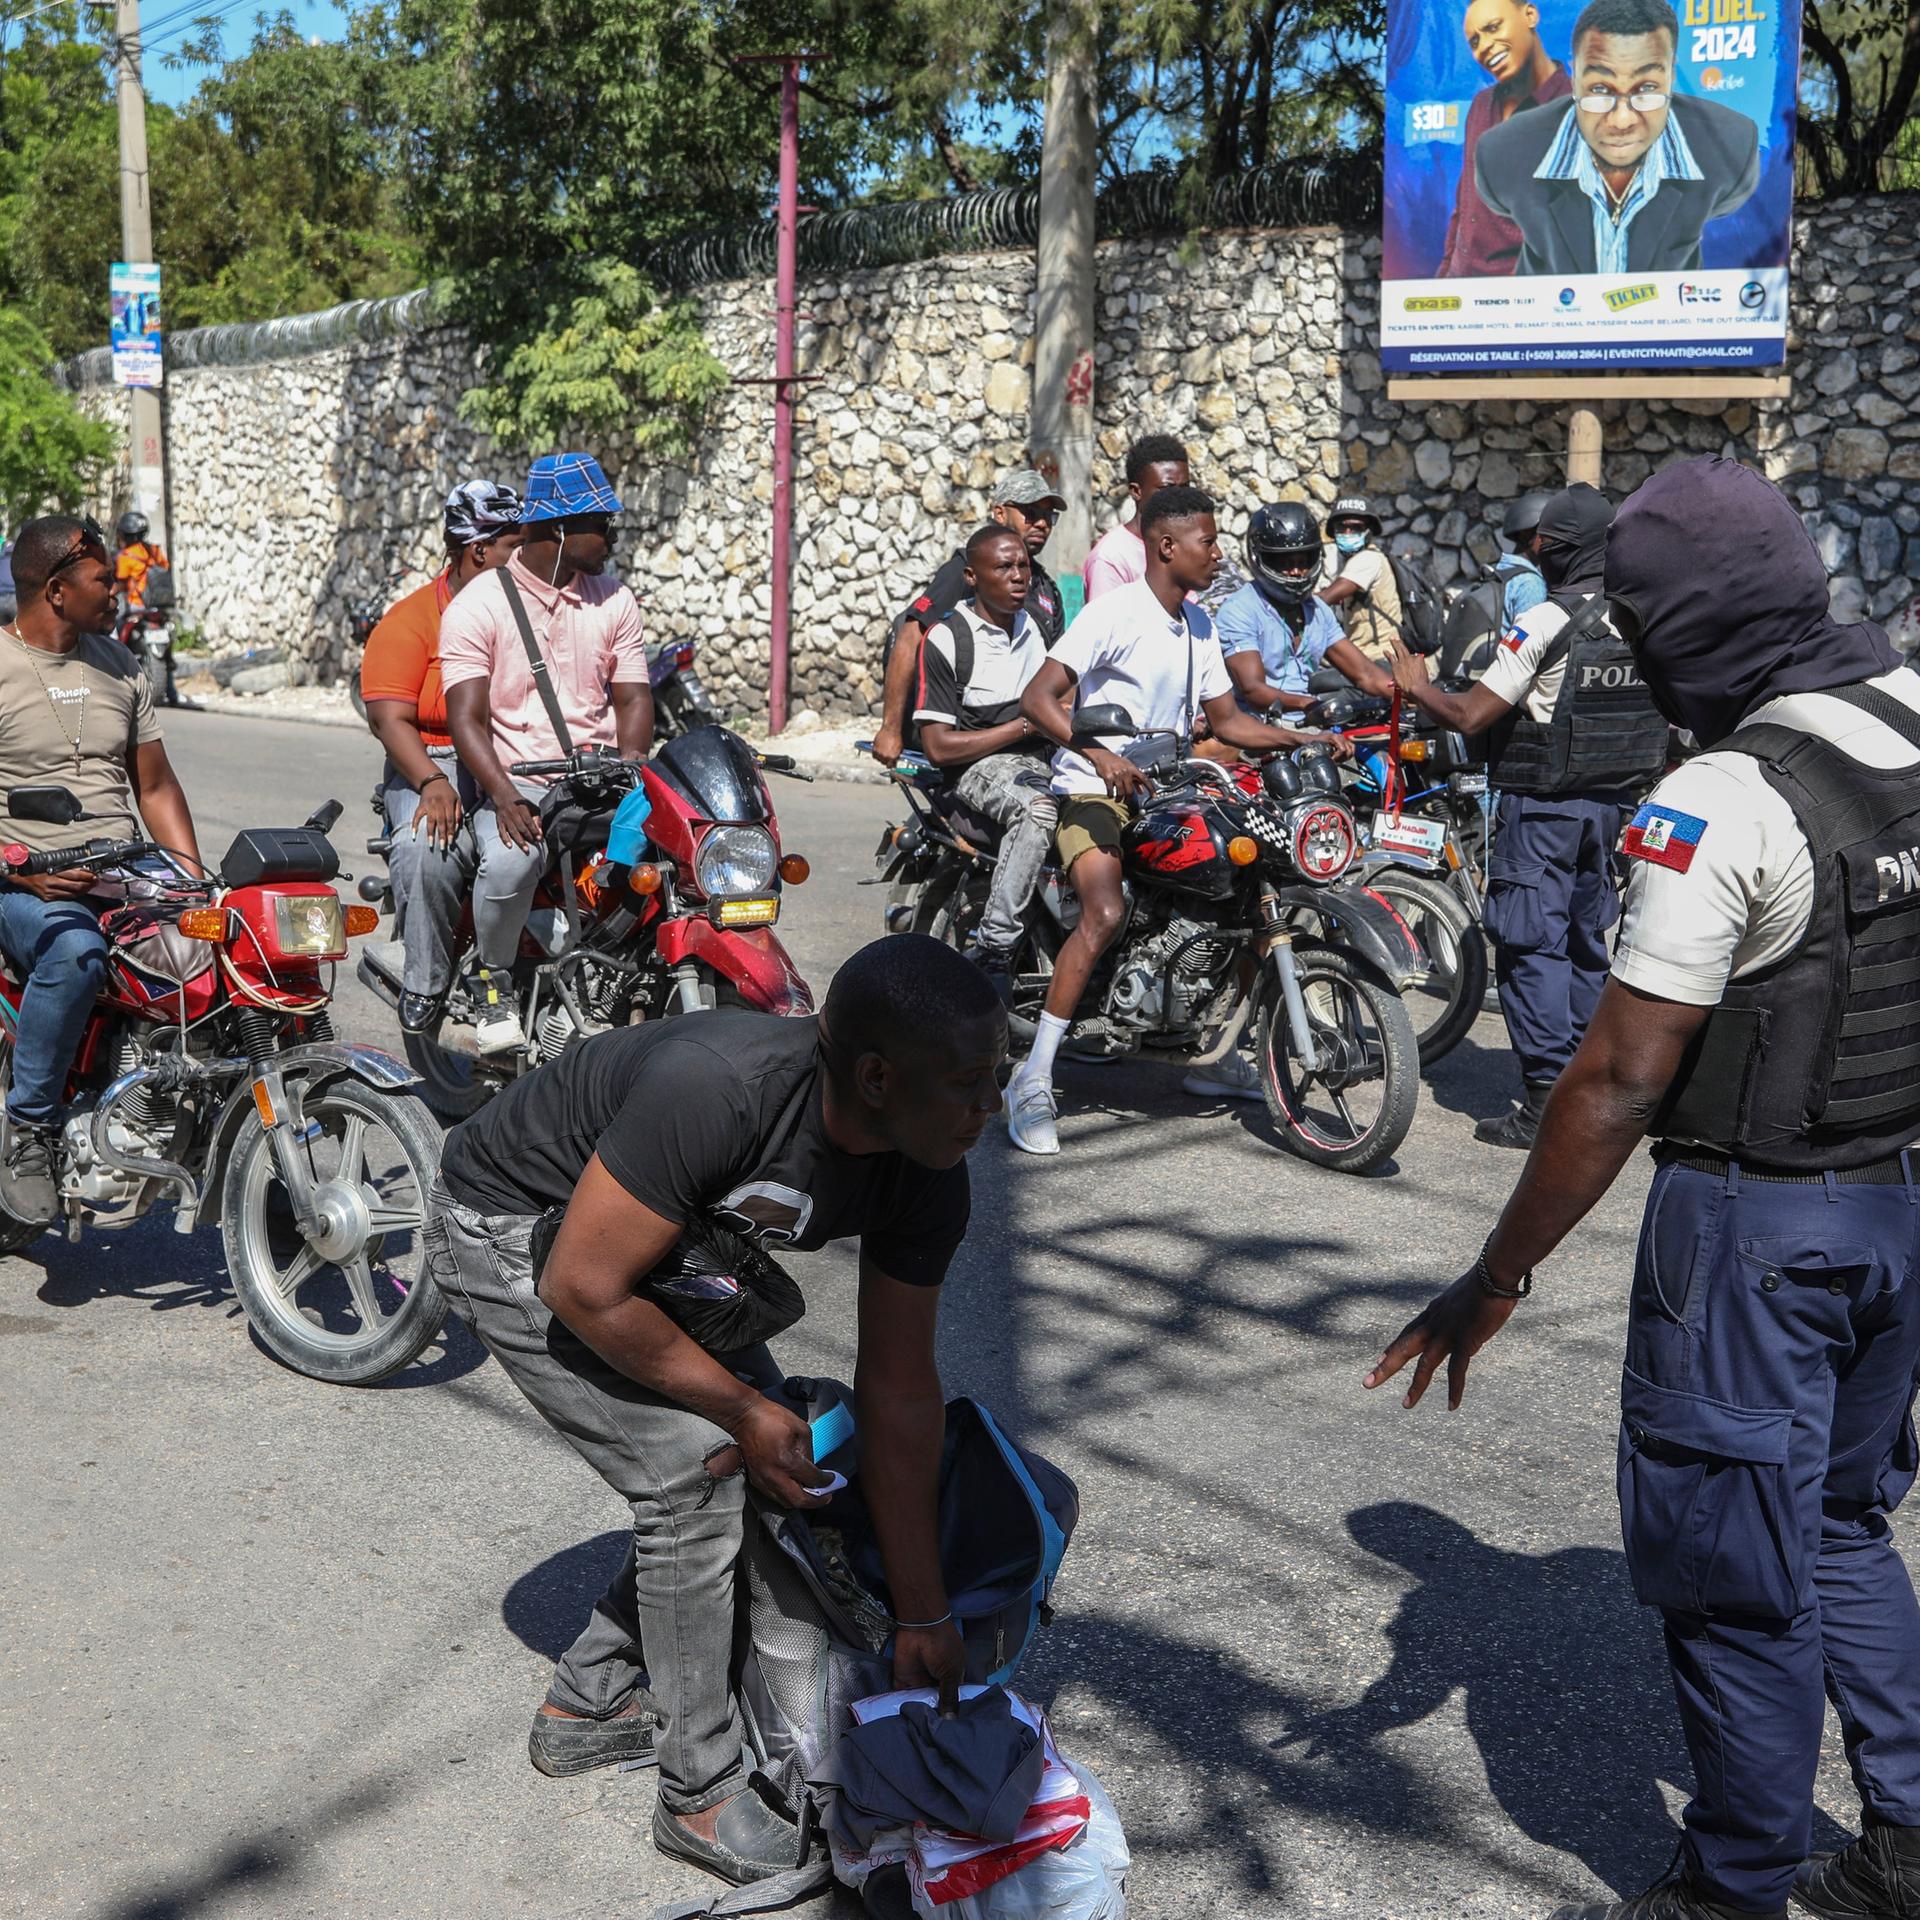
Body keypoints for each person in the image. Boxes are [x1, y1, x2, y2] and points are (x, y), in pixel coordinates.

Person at [1364, 456, 1920, 1920]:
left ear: (1693, 635)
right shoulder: (1913, 715)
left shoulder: (1724, 796)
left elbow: (1613, 1079)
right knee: (1846, 1523)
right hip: (1896, 1206)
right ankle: (1911, 1839)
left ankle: (1732, 1885)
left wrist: (1492, 1280)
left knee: (1734, 1573)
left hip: (1755, 1226)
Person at [424, 936, 1003, 1886]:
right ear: (874, 1076)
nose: (993, 1107)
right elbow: (583, 1284)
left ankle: (593, 1697)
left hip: (658, 1245)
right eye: (970, 1083)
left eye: (999, 1075)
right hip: (509, 1222)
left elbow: (899, 1393)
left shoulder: (930, 1167)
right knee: (697, 1473)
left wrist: (923, 1613)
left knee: (791, 1458)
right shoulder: (724, 1089)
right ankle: (699, 1792)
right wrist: (737, 1411)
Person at [1007, 485, 1352, 1154]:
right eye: (1208, 541)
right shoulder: (1113, 615)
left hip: (1171, 789)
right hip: (1093, 790)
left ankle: (1215, 1048)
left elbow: (1229, 723)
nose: (1219, 553)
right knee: (1104, 913)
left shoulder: (1200, 624)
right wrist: (1099, 755)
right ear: (1166, 546)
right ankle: (1034, 1076)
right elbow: (1039, 696)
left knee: (1253, 887)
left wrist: (1301, 739)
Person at [1388, 483, 1666, 1146]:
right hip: (1615, 809)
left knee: (1527, 946)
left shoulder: (1547, 620)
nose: (1531, 556)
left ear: (1559, 550)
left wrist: (1416, 685)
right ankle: (1595, 1086)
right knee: (1583, 942)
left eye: (1538, 546)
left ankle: (1546, 1098)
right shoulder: (1645, 617)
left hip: (1544, 809)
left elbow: (1471, 713)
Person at [0, 516, 202, 1225]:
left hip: (122, 869)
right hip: (19, 884)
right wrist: (19, 873)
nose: (116, 593)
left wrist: (193, 882)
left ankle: (238, 1139)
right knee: (75, 951)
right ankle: (29, 1127)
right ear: (56, 589)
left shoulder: (121, 665)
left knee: (228, 947)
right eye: (102, 581)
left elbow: (154, 787)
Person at [440, 453, 652, 1055]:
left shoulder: (614, 600)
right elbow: (466, 719)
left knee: (679, 850)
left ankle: (632, 977)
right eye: (602, 524)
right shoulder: (479, 606)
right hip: (518, 781)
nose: (612, 537)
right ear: (559, 527)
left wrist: (633, 766)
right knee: (511, 860)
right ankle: (491, 982)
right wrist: (504, 797)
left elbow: (634, 698)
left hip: (601, 777)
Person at [359, 480, 522, 1035]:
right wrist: (430, 779)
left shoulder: (524, 613)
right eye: (513, 547)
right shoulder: (409, 621)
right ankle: (425, 983)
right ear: (479, 550)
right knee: (425, 847)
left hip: (511, 758)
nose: (525, 559)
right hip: (433, 759)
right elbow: (387, 718)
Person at [1474, 0, 1760, 276]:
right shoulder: (1502, 156)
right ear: (1574, 79)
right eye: (1599, 90)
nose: (1622, 120)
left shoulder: (1730, 149)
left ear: (1671, 74)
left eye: (1646, 88)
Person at [912, 525, 1056, 995]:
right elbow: (937, 746)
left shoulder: (1033, 627)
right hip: (974, 770)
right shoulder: (948, 639)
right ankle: (995, 946)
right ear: (973, 577)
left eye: (1023, 566)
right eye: (1004, 567)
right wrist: (1022, 728)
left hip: (1036, 760)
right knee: (1037, 811)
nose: (1019, 577)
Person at [871, 470, 1069, 768]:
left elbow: (1059, 664)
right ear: (1000, 513)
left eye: (1048, 517)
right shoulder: (966, 571)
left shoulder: (1045, 588)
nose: (1041, 523)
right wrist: (890, 728)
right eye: (1030, 513)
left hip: (1031, 741)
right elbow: (911, 635)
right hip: (971, 736)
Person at [1216, 502, 1395, 718]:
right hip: (1256, 730)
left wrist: (1415, 696)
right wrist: (1310, 705)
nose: (1296, 572)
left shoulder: (1317, 610)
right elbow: (1253, 690)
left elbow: (1365, 674)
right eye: (1284, 563)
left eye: (1303, 562)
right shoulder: (1240, 610)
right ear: (1260, 558)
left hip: (1310, 726)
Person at [1436, 0, 1572, 279]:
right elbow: (1465, 204)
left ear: (1530, 15)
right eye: (1475, 41)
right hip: (1461, 285)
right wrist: (1445, 274)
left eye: (1493, 27)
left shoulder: (1576, 108)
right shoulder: (1480, 105)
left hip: (1529, 295)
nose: (1484, 46)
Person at [1082, 434, 1191, 604]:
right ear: (1136, 491)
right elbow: (1107, 627)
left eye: (1184, 488)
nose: (1178, 497)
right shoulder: (1111, 558)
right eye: (1166, 489)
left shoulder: (1186, 545)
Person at [1316, 497, 1404, 663]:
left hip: (1378, 658)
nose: (1347, 533)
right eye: (1342, 527)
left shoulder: (1366, 559)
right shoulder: (1364, 560)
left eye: (1355, 528)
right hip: (1369, 658)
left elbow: (1325, 598)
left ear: (1368, 532)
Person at [1494, 488, 1553, 626]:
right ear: (1527, 534)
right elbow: (1527, 641)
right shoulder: (1529, 583)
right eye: (1551, 532)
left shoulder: (1500, 570)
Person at [112, 510, 169, 616]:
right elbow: (165, 567)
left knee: (113, 627)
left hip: (136, 604)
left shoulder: (125, 556)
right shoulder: (154, 550)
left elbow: (122, 584)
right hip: (159, 603)